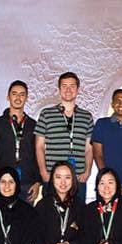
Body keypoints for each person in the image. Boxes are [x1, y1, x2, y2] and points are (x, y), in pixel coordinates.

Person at [35, 72, 94, 204]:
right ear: (59, 89)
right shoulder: (46, 114)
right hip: (53, 176)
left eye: (72, 86)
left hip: (78, 177)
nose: (68, 90)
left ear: (78, 90)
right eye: (64, 86)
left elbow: (89, 148)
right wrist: (43, 172)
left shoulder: (87, 116)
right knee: (51, 215)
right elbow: (39, 146)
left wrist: (88, 171)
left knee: (77, 217)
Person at [0, 80, 41, 203]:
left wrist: (38, 182)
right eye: (14, 94)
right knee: (4, 219)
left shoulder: (33, 125)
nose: (18, 98)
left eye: (22, 94)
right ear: (8, 97)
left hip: (28, 183)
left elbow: (39, 154)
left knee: (26, 220)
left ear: (27, 98)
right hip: (4, 182)